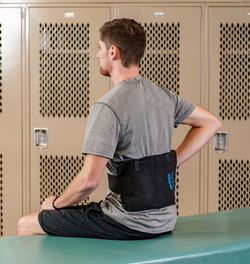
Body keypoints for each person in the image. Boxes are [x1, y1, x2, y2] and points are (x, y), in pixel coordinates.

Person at [17, 18, 221, 239]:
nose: (97, 55)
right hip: (165, 220)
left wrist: (55, 204)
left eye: (99, 48)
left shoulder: (108, 106)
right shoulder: (164, 96)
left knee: (26, 224)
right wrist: (170, 163)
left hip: (126, 221)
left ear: (113, 52)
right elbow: (212, 122)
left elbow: (89, 182)